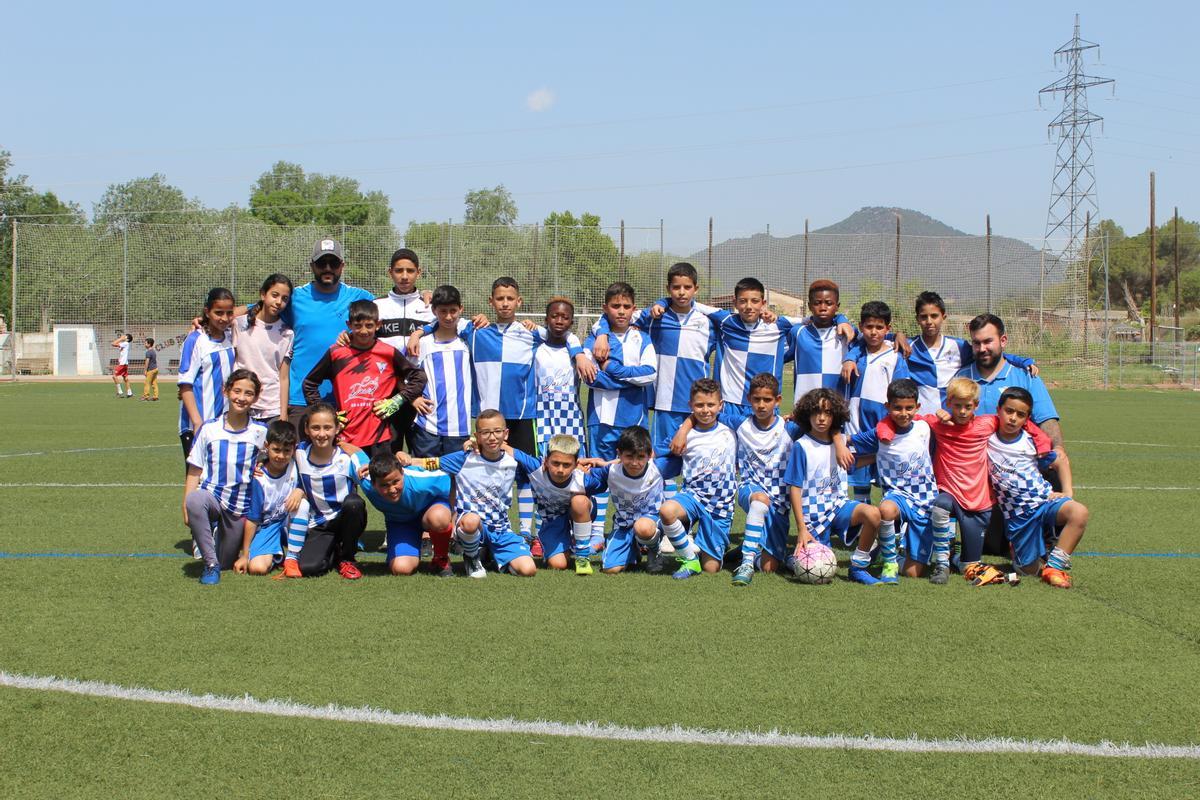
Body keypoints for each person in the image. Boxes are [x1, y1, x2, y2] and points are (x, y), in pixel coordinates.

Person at [407, 277, 591, 545]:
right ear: (491, 302)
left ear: (519, 302)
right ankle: (476, 528)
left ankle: (528, 533)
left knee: (528, 475)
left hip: (522, 416)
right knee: (481, 472)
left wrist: (580, 353)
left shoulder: (532, 332)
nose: (505, 304)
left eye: (510, 299)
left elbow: (565, 333)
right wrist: (418, 332)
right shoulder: (476, 330)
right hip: (489, 419)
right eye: (500, 299)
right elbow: (444, 319)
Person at [882, 377, 1053, 585]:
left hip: (978, 502)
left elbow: (1026, 424)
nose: (962, 411)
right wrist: (884, 431)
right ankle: (942, 564)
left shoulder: (988, 423)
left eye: (968, 406)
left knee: (969, 565)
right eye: (957, 406)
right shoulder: (937, 423)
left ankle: (956, 558)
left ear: (976, 406)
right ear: (948, 403)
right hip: (949, 493)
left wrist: (1044, 444)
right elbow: (898, 418)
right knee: (940, 504)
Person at [591, 263, 717, 461]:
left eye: (687, 287)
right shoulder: (654, 316)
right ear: (668, 289)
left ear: (696, 289)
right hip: (664, 400)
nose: (682, 292)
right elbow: (612, 313)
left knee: (699, 456)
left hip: (698, 401)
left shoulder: (709, 322)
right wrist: (602, 335)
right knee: (661, 459)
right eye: (676, 287)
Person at [987, 387, 1087, 588]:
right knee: (1027, 570)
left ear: (1027, 418)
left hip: (1043, 501)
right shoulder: (986, 440)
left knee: (1079, 513)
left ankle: (1054, 569)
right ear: (998, 410)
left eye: (1020, 414)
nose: (1013, 418)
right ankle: (1028, 556)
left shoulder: (1032, 440)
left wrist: (1067, 492)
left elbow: (1059, 460)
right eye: (1009, 411)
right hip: (1018, 516)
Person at [784, 388, 884, 586]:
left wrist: (881, 456)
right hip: (814, 516)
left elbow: (852, 463)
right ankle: (790, 558)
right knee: (818, 564)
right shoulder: (802, 447)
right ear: (807, 414)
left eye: (828, 413)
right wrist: (801, 528)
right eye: (816, 412)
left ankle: (858, 568)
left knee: (872, 513)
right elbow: (794, 488)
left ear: (835, 416)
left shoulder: (840, 444)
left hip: (839, 507)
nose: (821, 418)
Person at [302, 300, 426, 459]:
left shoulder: (387, 352)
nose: (363, 331)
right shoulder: (337, 353)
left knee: (381, 482)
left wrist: (398, 400)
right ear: (349, 324)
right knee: (346, 482)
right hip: (346, 435)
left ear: (378, 324)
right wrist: (326, 414)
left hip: (380, 437)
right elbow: (310, 383)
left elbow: (419, 376)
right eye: (358, 325)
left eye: (369, 325)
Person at [582, 282, 656, 547]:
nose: (621, 311)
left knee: (634, 474)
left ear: (633, 309)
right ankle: (596, 532)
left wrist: (614, 370)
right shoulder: (595, 339)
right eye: (615, 306)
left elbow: (650, 373)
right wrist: (628, 379)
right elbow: (590, 378)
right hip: (601, 419)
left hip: (633, 419)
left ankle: (636, 530)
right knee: (599, 474)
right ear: (606, 308)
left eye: (626, 306)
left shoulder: (641, 338)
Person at [182, 369, 268, 585]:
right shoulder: (209, 429)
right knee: (195, 499)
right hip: (212, 497)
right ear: (226, 391)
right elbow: (195, 469)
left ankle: (216, 540)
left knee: (227, 560)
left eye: (248, 393)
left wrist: (262, 466)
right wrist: (185, 506)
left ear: (256, 397)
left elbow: (271, 463)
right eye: (237, 391)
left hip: (239, 508)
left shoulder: (261, 431)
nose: (242, 397)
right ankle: (210, 566)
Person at [847, 378, 938, 582]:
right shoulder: (879, 435)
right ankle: (889, 562)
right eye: (897, 408)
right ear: (887, 406)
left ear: (918, 407)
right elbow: (848, 441)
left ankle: (887, 551)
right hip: (898, 496)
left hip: (926, 501)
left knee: (913, 573)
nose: (903, 413)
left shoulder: (924, 428)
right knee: (886, 509)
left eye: (909, 408)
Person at [431, 409, 539, 579]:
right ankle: (472, 558)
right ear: (477, 436)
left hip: (501, 529)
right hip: (471, 526)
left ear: (506, 433)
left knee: (528, 570)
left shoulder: (512, 461)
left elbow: (538, 468)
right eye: (486, 433)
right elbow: (431, 463)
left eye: (497, 431)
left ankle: (494, 556)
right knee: (471, 520)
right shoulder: (464, 458)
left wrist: (508, 447)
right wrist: (405, 458)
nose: (492, 437)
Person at [281, 238, 375, 429]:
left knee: (348, 457)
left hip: (346, 397)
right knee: (300, 456)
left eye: (333, 263)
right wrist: (204, 320)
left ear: (342, 266)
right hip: (301, 399)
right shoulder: (295, 297)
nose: (327, 268)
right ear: (312, 266)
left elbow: (393, 306)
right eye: (321, 263)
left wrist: (422, 294)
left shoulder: (359, 297)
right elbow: (260, 310)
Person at [656, 378, 738, 579]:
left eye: (711, 405)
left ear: (721, 406)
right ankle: (689, 558)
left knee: (711, 568)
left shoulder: (732, 429)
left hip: (721, 505)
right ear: (691, 406)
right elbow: (650, 454)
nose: (705, 410)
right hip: (693, 496)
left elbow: (759, 423)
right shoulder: (683, 435)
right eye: (699, 405)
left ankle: (733, 550)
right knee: (666, 511)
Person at [727, 374, 802, 586]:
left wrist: (800, 416)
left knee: (770, 568)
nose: (761, 405)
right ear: (749, 399)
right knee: (759, 501)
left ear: (777, 400)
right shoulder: (740, 423)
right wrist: (685, 428)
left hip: (779, 502)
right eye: (757, 399)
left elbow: (825, 424)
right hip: (750, 490)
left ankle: (747, 549)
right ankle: (747, 563)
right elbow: (705, 413)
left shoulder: (789, 428)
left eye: (767, 400)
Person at [279, 402, 368, 580]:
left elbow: (369, 473)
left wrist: (361, 455)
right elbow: (275, 459)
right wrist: (299, 489)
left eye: (327, 428)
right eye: (316, 428)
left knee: (354, 503)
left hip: (345, 519)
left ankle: (347, 558)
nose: (321, 434)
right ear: (306, 429)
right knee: (309, 568)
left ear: (337, 429)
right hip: (319, 525)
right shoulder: (299, 453)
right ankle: (334, 549)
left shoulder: (346, 458)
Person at [907, 292, 1036, 414]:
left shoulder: (959, 346)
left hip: (950, 421)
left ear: (943, 317)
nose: (929, 321)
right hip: (921, 420)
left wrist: (1022, 361)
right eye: (924, 317)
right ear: (917, 319)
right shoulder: (907, 347)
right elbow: (886, 337)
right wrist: (898, 336)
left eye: (934, 316)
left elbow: (988, 354)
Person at [840, 301, 911, 505]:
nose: (873, 332)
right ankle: (864, 532)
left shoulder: (895, 355)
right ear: (862, 327)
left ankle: (892, 530)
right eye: (869, 327)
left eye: (879, 327)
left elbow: (902, 392)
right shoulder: (856, 349)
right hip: (855, 423)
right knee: (860, 485)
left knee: (889, 483)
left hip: (883, 426)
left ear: (888, 328)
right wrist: (849, 359)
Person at [578, 425, 667, 575]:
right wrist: (580, 468)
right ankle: (632, 550)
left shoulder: (659, 467)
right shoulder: (610, 471)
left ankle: (654, 549)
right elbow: (585, 474)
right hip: (624, 524)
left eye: (640, 457)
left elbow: (679, 449)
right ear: (619, 454)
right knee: (610, 569)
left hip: (653, 522)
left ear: (649, 454)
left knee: (643, 527)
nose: (634, 462)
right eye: (629, 457)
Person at [374, 248, 434, 453]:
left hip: (422, 394)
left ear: (419, 272)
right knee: (388, 458)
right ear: (390, 272)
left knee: (423, 459)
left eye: (410, 270)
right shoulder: (377, 306)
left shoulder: (430, 306)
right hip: (388, 393)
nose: (405, 276)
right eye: (399, 270)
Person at [357, 451, 455, 577]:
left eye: (396, 482)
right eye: (384, 485)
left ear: (402, 473)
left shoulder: (422, 480)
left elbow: (455, 472)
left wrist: (453, 517)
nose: (392, 489)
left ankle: (441, 559)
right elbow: (355, 454)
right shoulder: (365, 480)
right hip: (401, 523)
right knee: (401, 569)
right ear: (373, 484)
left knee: (439, 517)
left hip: (430, 512)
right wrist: (339, 442)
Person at [408, 285, 474, 458]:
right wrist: (413, 398)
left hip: (459, 427)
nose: (449, 316)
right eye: (443, 311)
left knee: (456, 480)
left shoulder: (468, 341)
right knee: (426, 478)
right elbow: (402, 374)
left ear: (461, 309)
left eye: (453, 311)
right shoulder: (423, 344)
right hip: (427, 425)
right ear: (434, 310)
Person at [234, 420, 301, 576]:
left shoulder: (296, 465)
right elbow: (253, 519)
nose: (281, 456)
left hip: (291, 522)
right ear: (266, 446)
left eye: (286, 451)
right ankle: (277, 551)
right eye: (276, 450)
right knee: (257, 568)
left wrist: (300, 491)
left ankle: (287, 551)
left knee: (302, 505)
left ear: (294, 449)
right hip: (267, 526)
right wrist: (245, 554)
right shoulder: (260, 478)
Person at [178, 288, 237, 458]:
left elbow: (255, 307)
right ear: (207, 312)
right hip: (199, 423)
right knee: (197, 478)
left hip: (224, 423)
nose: (224, 318)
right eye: (218, 312)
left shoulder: (230, 336)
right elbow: (185, 384)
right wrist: (197, 421)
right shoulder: (196, 339)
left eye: (229, 313)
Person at [233, 274, 294, 423]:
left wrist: (283, 414)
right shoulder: (239, 324)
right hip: (241, 404)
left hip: (272, 409)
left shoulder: (287, 333)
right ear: (263, 294)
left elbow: (284, 377)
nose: (279, 302)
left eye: (284, 298)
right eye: (275, 295)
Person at [111, 333, 133, 398]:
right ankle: (129, 393)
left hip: (122, 364)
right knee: (125, 378)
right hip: (124, 363)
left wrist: (120, 339)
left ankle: (120, 392)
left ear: (127, 339)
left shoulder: (125, 343)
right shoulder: (125, 344)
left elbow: (113, 344)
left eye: (125, 336)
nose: (123, 336)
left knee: (114, 376)